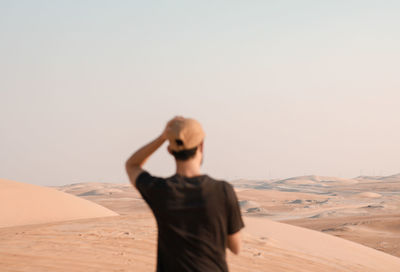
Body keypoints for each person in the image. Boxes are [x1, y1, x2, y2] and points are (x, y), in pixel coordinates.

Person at [125, 116, 244, 272]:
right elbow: (236, 247)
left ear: (169, 150)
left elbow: (132, 165)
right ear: (201, 146)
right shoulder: (222, 190)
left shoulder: (159, 190)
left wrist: (162, 137)